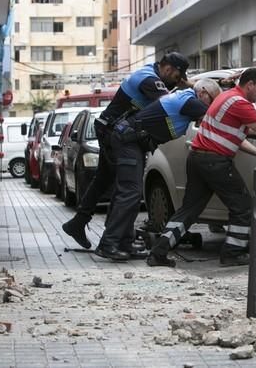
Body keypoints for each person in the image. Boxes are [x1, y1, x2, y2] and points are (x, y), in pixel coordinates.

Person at [146, 67, 256, 268]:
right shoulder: (240, 103)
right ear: (250, 85)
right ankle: (232, 253)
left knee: (189, 210)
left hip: (198, 158)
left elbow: (236, 133)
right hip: (215, 161)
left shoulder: (226, 97)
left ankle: (159, 252)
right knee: (243, 206)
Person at [62, 52, 190, 250]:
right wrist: (192, 91)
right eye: (175, 78)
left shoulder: (148, 73)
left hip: (109, 128)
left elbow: (169, 91)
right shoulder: (150, 81)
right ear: (168, 69)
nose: (175, 83)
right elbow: (170, 103)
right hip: (115, 133)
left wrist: (186, 85)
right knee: (127, 187)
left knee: (105, 180)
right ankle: (115, 237)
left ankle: (81, 223)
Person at [95, 78, 222, 260]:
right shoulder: (189, 101)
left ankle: (124, 242)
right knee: (130, 193)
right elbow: (216, 118)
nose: (212, 103)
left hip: (132, 142)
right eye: (212, 99)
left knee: (130, 193)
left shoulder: (186, 97)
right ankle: (108, 244)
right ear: (202, 93)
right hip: (128, 142)